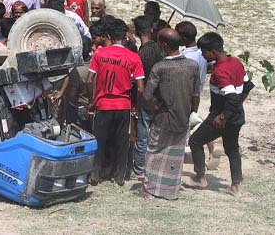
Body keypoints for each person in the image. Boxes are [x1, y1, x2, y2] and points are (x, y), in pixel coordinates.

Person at [184, 32, 247, 197]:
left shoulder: (220, 72)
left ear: (212, 52)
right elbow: (247, 86)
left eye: (204, 52)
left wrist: (223, 116)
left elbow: (231, 97)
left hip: (221, 116)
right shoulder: (236, 62)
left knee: (195, 141)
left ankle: (200, 177)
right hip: (237, 115)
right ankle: (236, 185)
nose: (203, 56)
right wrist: (236, 107)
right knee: (232, 148)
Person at [142, 29, 201, 200]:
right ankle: (170, 191)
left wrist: (156, 106)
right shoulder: (192, 66)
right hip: (183, 117)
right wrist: (191, 112)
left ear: (164, 46)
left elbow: (147, 96)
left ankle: (150, 190)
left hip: (163, 118)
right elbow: (195, 95)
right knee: (175, 155)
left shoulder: (160, 67)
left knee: (155, 152)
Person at [86, 18, 145, 186]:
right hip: (123, 105)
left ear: (110, 36)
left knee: (99, 140)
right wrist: (136, 107)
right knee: (122, 141)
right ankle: (119, 176)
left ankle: (95, 174)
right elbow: (140, 88)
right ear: (125, 37)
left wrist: (92, 101)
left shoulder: (100, 54)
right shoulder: (133, 57)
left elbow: (89, 80)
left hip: (103, 104)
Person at [175, 20, 218, 166]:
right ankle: (212, 147)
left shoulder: (184, 56)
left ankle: (180, 155)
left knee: (189, 123)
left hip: (184, 93)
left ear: (183, 38)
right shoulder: (202, 53)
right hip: (197, 93)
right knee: (194, 121)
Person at [131, 15, 164, 178]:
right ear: (152, 30)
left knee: (142, 136)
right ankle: (154, 165)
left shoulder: (140, 55)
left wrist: (137, 104)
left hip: (145, 99)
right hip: (160, 98)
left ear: (136, 33)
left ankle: (139, 168)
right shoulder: (160, 49)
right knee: (156, 136)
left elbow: (139, 84)